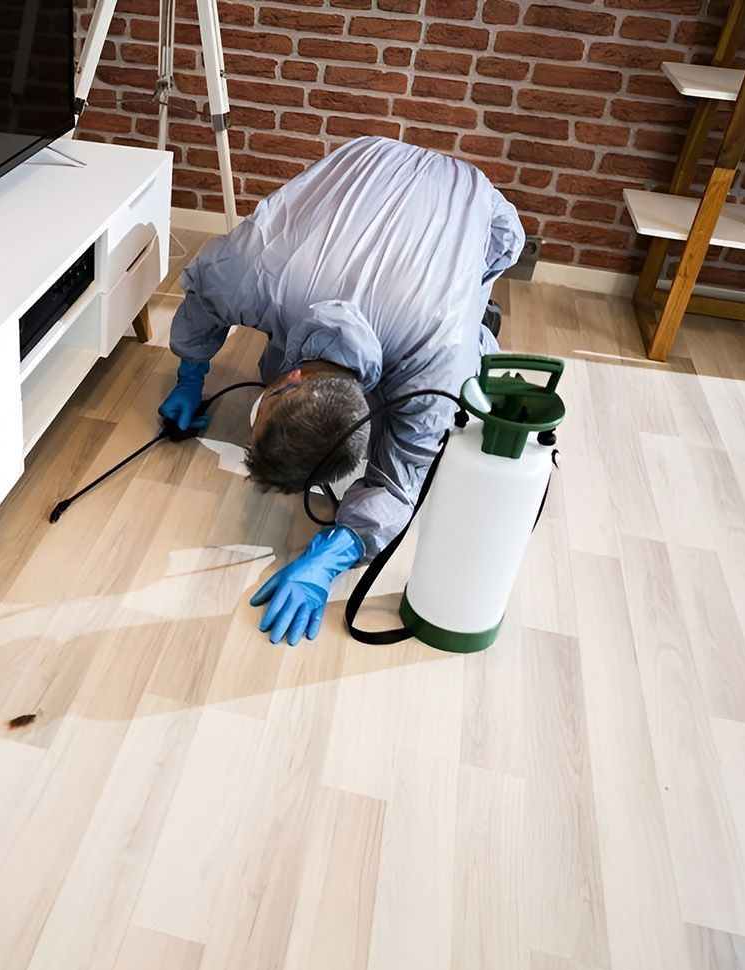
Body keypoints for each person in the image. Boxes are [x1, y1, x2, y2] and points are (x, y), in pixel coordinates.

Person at [159, 136, 523, 646]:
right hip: (369, 158)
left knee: (465, 357)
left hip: (472, 200)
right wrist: (189, 373)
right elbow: (206, 294)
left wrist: (337, 551)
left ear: (290, 381)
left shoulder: (438, 366)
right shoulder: (252, 273)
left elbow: (401, 483)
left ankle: (478, 321)